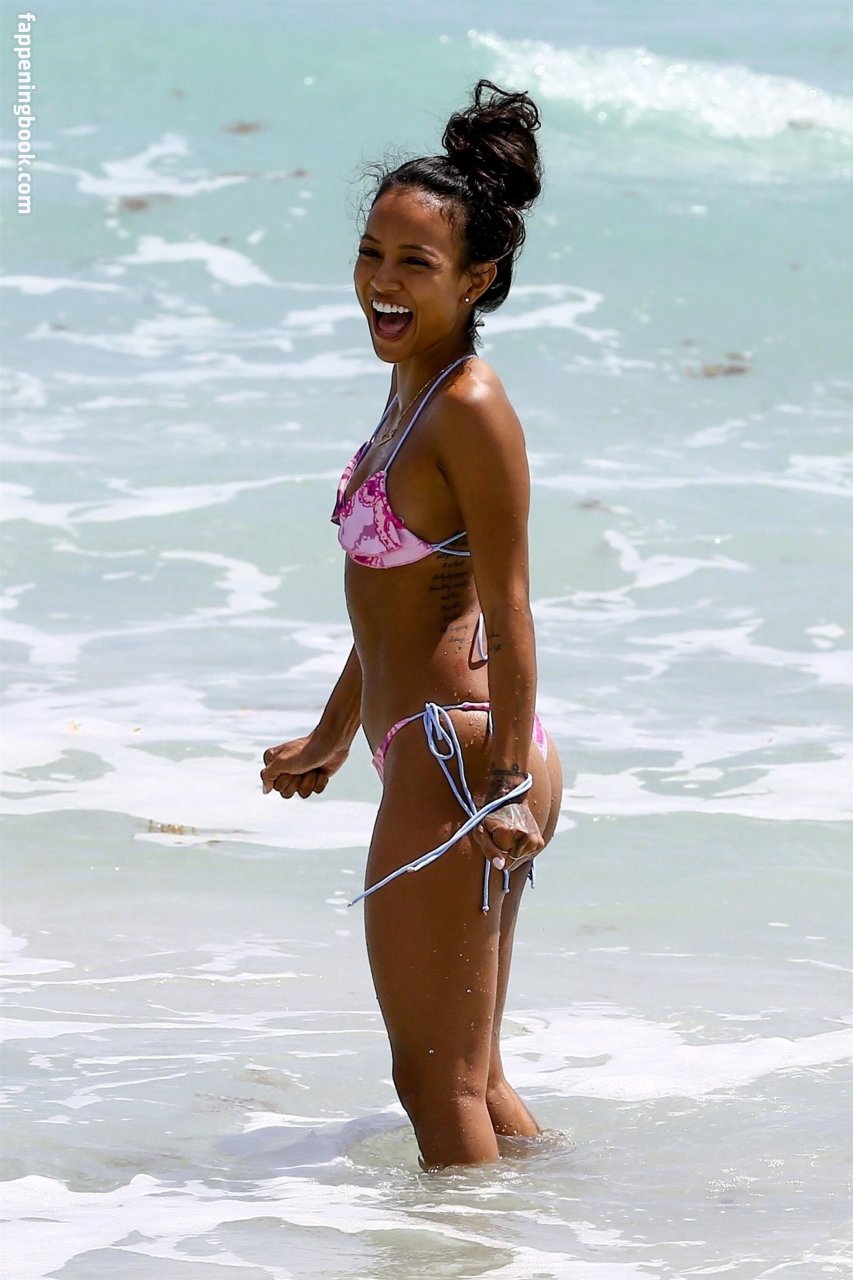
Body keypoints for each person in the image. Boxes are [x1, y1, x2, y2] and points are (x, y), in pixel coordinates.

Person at [261, 79, 563, 1170]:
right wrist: (332, 731)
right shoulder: (410, 391)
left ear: (476, 278)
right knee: (472, 1076)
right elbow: (391, 599)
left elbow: (509, 603)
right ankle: (567, 1219)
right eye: (370, 254)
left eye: (414, 263)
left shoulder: (469, 406)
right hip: (429, 748)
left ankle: (468, 1248)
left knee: (432, 1081)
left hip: (464, 753)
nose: (382, 282)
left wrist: (508, 785)